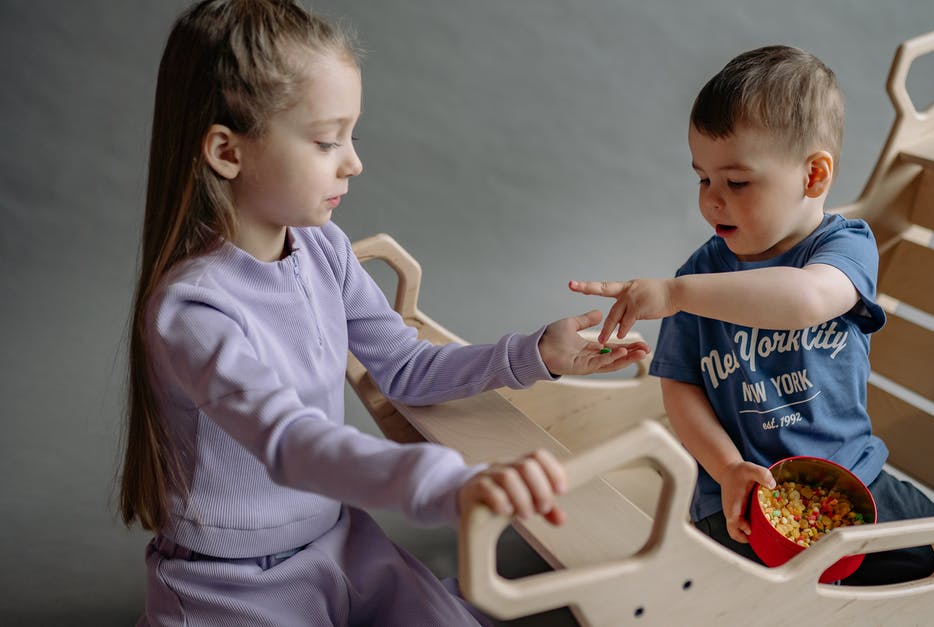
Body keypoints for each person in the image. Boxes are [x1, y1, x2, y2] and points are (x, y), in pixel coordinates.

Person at [119, 1, 649, 624]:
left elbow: (405, 367)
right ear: (226, 152)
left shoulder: (324, 248)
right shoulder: (193, 311)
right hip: (233, 586)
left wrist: (535, 354)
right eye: (326, 140)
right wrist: (448, 482)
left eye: (353, 136)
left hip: (338, 542)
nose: (353, 162)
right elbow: (291, 443)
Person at [569, 45, 934, 584]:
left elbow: (805, 301)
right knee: (719, 592)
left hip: (848, 478)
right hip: (740, 497)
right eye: (703, 179)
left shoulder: (843, 249)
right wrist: (726, 468)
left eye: (737, 182)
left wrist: (676, 294)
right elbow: (681, 388)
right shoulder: (700, 276)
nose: (712, 201)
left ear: (814, 176)